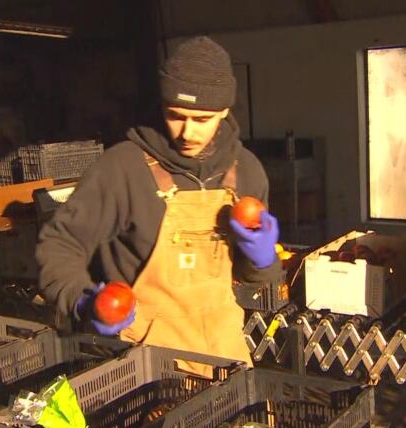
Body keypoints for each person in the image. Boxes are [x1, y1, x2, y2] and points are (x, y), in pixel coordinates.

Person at [36, 36, 282, 375]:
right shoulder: (123, 169)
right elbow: (59, 246)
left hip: (226, 355)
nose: (188, 133)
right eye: (176, 115)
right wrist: (83, 300)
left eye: (202, 119)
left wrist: (261, 258)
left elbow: (256, 281)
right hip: (146, 363)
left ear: (225, 112)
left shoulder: (247, 171)